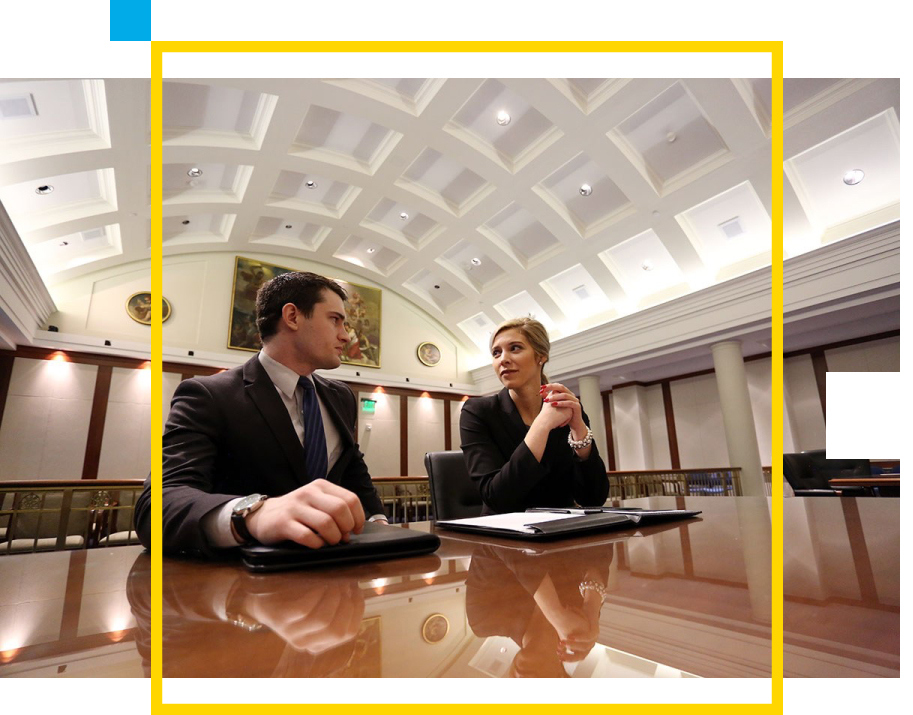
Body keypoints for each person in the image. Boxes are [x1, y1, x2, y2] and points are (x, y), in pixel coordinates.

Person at [153, 271, 387, 556]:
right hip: (242, 584)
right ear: (292, 317)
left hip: (336, 568)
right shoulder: (208, 395)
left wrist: (379, 523)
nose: (346, 335)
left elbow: (352, 468)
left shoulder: (342, 396)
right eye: (335, 319)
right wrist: (252, 515)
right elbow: (159, 504)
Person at [459, 317, 608, 514]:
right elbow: (497, 498)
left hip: (562, 531)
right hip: (504, 535)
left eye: (515, 348)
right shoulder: (477, 411)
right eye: (496, 352)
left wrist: (579, 430)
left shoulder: (565, 407)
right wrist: (542, 424)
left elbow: (593, 498)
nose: (503, 359)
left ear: (541, 356)